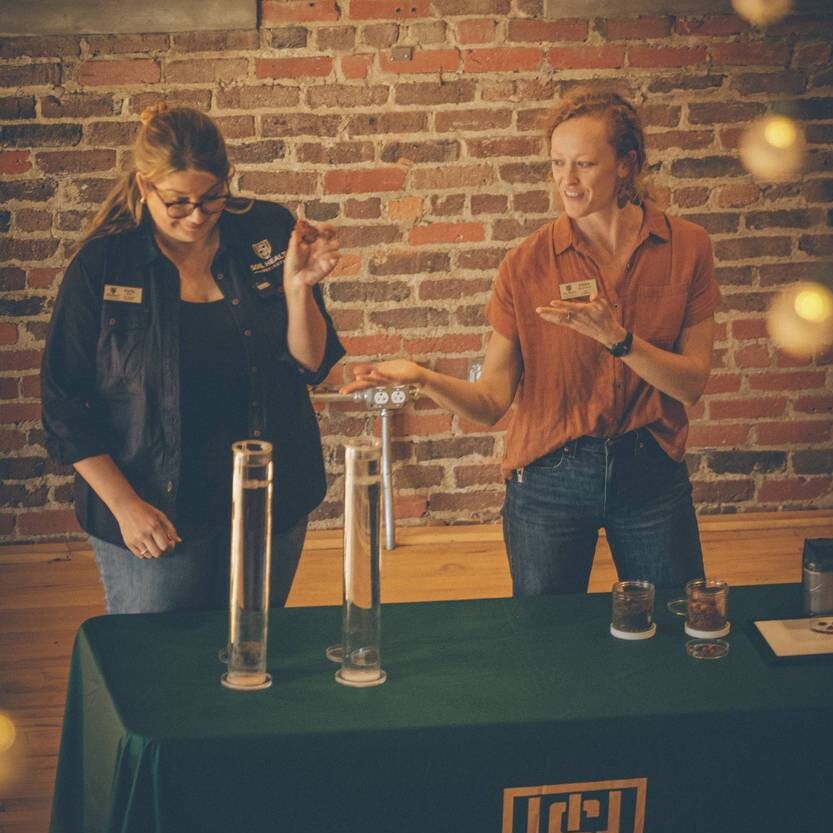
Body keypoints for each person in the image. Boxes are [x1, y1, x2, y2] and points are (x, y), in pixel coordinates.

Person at [343, 87, 720, 595]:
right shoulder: (526, 264)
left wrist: (618, 339)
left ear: (626, 164)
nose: (567, 180)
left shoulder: (687, 247)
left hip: (650, 470)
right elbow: (492, 402)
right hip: (549, 478)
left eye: (584, 163)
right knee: (547, 644)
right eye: (556, 163)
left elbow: (690, 385)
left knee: (675, 628)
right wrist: (422, 377)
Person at [41, 103, 344, 613]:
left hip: (267, 499)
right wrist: (125, 506)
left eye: (212, 198)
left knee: (253, 655)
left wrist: (299, 289)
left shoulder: (267, 230)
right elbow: (64, 403)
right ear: (145, 186)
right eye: (178, 203)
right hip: (154, 508)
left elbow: (310, 365)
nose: (198, 216)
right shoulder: (105, 263)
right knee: (158, 674)